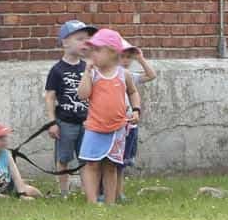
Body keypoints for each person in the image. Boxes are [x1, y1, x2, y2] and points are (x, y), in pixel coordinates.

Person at [76, 28, 141, 205]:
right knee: (92, 165)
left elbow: (133, 92)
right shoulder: (93, 74)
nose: (93, 54)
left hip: (117, 129)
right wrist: (86, 74)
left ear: (112, 52)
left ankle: (110, 202)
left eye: (98, 50)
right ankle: (92, 201)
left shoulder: (123, 74)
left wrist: (136, 110)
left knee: (111, 166)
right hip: (95, 127)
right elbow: (83, 95)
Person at [45, 20, 95, 195]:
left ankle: (86, 190)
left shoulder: (87, 67)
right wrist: (52, 122)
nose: (85, 43)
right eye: (80, 39)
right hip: (65, 122)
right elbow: (50, 96)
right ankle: (64, 191)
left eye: (87, 40)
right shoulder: (57, 70)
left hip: (87, 122)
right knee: (64, 157)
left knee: (86, 158)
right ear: (65, 42)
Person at [0, 120, 42, 199]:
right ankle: (7, 198)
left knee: (30, 190)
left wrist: (22, 194)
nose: (4, 139)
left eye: (4, 136)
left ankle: (45, 198)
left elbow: (16, 176)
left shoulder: (6, 154)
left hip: (8, 189)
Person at [120, 42, 157, 174]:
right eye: (122, 56)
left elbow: (151, 75)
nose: (126, 60)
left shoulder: (129, 76)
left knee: (124, 161)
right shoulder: (109, 76)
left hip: (130, 122)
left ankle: (119, 192)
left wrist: (140, 59)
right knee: (116, 160)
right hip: (116, 123)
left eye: (129, 57)